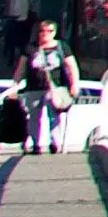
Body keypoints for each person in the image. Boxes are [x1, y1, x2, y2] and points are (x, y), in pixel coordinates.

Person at [19, 23, 73, 154]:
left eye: (49, 31)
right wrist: (16, 84)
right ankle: (35, 144)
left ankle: (55, 144)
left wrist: (74, 84)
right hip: (34, 87)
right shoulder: (31, 48)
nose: (45, 33)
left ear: (54, 32)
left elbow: (71, 66)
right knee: (33, 117)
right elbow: (21, 67)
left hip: (55, 88)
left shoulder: (61, 47)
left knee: (54, 116)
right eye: (42, 31)